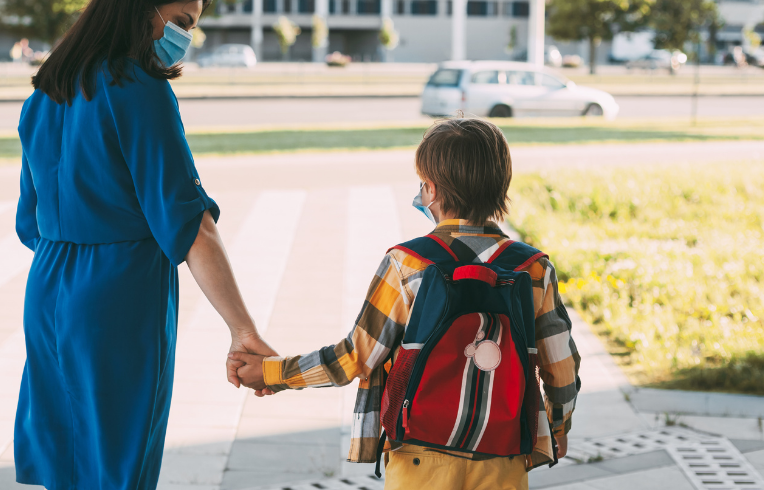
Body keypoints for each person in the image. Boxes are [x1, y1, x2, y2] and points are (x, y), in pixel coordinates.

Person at [12, 0, 275, 488]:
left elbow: (29, 223)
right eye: (180, 22)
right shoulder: (138, 88)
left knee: (66, 458)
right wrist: (243, 329)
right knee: (118, 463)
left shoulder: (45, 94)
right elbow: (188, 223)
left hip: (49, 290)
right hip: (120, 291)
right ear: (141, 7)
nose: (184, 37)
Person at [229, 119, 581, 490]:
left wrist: (273, 373)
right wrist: (557, 427)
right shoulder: (533, 268)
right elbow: (562, 368)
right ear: (501, 185)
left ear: (431, 189)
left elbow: (355, 357)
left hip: (418, 457)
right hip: (502, 455)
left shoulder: (407, 264)